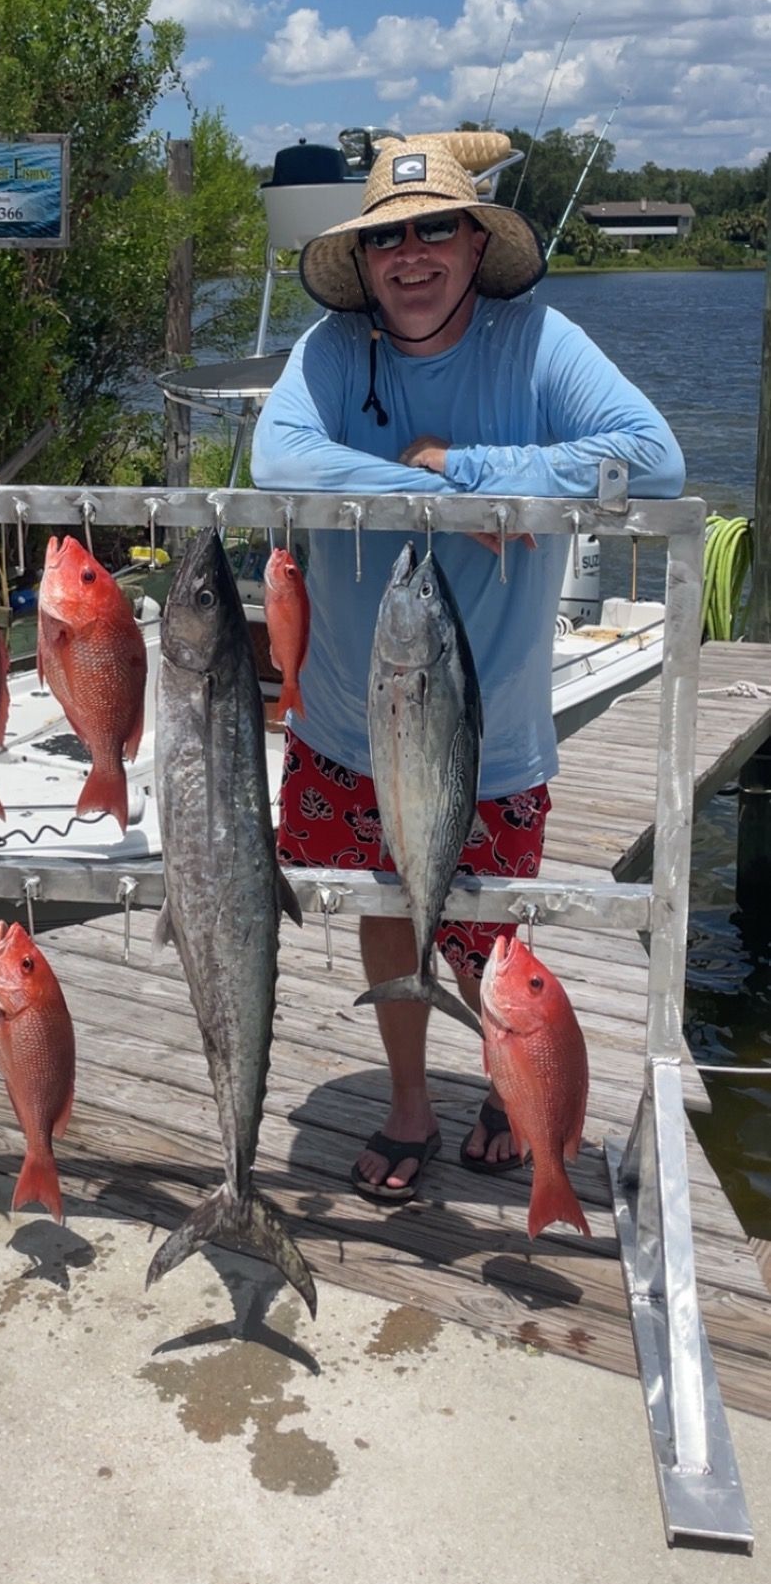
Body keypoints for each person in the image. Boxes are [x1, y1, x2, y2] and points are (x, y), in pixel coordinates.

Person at [251, 131, 685, 1203]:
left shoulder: (538, 340)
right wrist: (438, 503)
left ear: (473, 240)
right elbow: (277, 458)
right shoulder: (333, 348)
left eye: (433, 228)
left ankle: (509, 1081)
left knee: (490, 926)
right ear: (362, 257)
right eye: (388, 236)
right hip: (344, 721)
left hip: (489, 735)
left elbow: (656, 457)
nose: (410, 256)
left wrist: (478, 468)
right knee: (387, 915)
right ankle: (409, 1101)